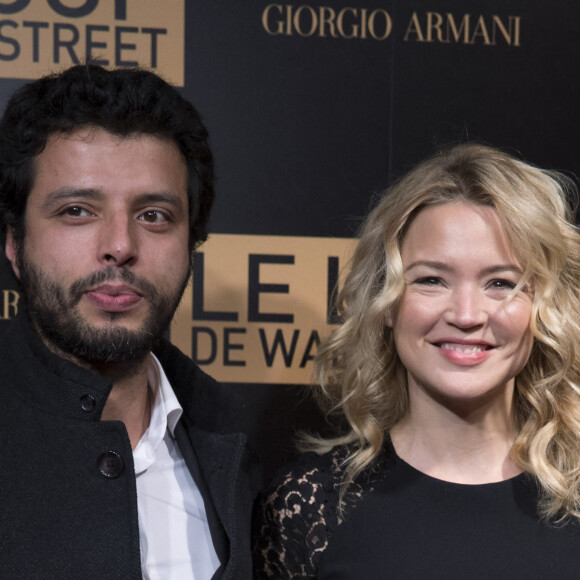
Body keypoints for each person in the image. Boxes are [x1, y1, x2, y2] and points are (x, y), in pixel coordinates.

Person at [253, 143, 580, 578]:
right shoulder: (307, 507)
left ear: (543, 306)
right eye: (431, 280)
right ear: (386, 303)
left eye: (501, 283)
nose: (466, 315)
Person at [0, 64, 258, 579]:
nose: (120, 245)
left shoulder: (236, 444)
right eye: (77, 210)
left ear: (192, 244)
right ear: (14, 242)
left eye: (153, 215)